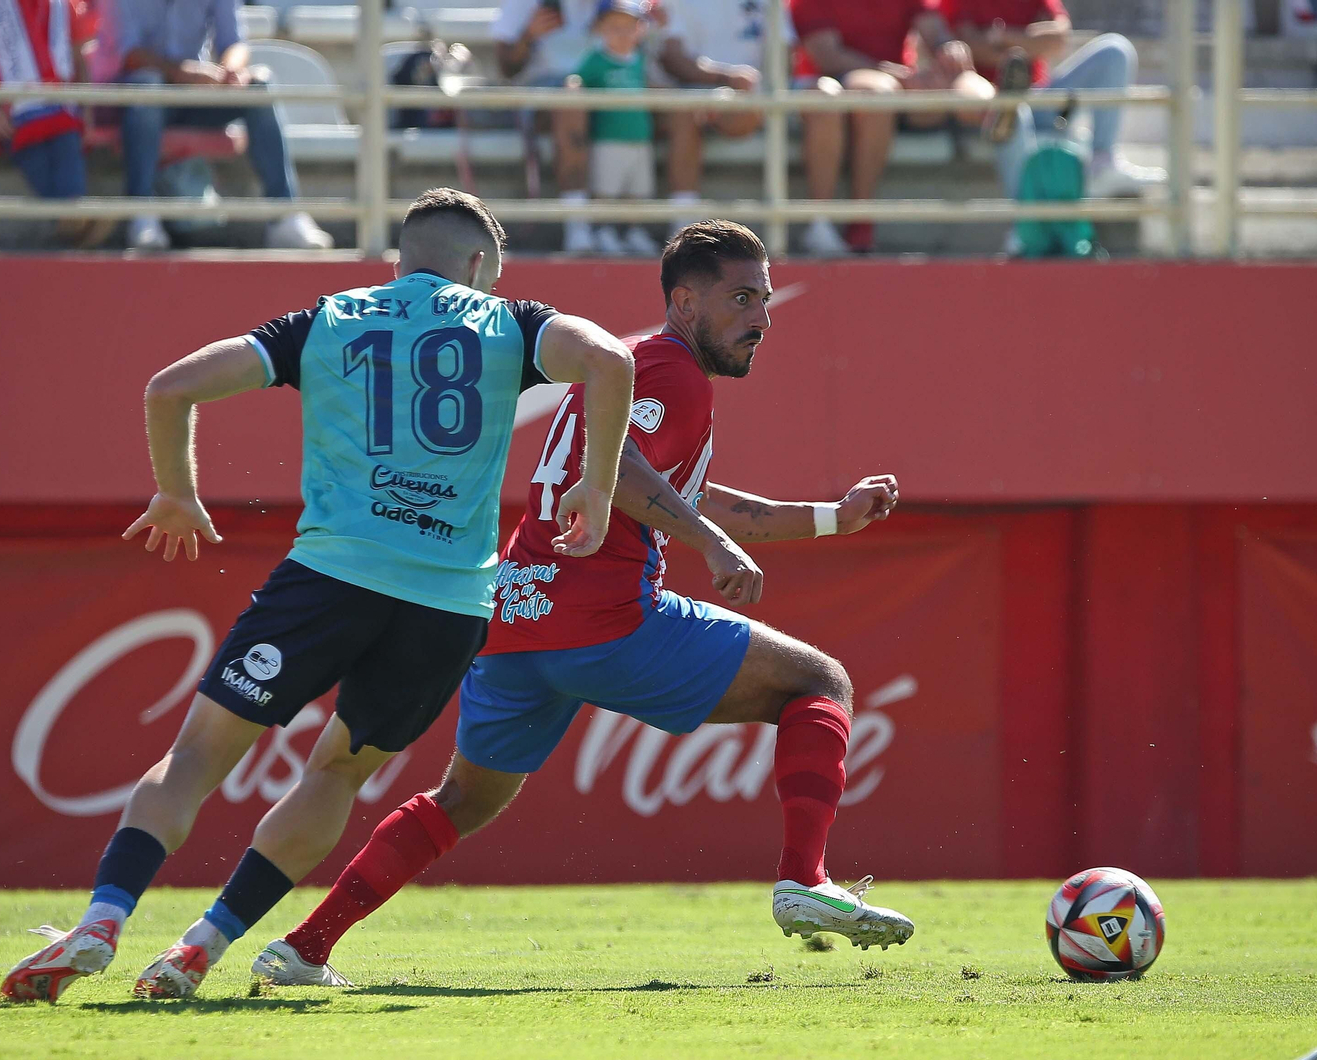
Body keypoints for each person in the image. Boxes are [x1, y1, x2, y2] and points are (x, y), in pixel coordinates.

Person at [0, 188, 637, 1003]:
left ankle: (102, 921)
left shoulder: (332, 318)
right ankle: (204, 945)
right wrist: (596, 482)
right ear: (479, 266)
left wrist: (176, 493)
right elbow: (612, 360)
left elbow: (170, 387)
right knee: (335, 774)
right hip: (449, 603)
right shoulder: (508, 321)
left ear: (398, 262)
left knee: (196, 757)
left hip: (332, 577)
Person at [251, 220, 914, 988]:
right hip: (607, 620)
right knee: (818, 683)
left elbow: (676, 494)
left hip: (517, 616)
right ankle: (805, 879)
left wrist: (831, 515)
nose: (760, 319)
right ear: (684, 300)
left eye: (764, 300)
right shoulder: (672, 373)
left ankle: (305, 947)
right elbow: (627, 479)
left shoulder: (634, 369)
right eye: (740, 299)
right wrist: (709, 544)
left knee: (461, 799)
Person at [97, 0, 333, 251]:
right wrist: (183, 72)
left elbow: (235, 43)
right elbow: (129, 56)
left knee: (258, 85)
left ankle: (284, 217)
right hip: (138, 100)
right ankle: (141, 216)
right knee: (147, 85)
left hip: (196, 96)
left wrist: (229, 72)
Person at [790, 0, 995, 255]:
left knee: (966, 87)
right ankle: (852, 223)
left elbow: (935, 33)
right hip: (844, 85)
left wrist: (949, 51)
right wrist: (898, 77)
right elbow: (828, 58)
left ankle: (995, 111)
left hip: (898, 94)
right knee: (876, 93)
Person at [946, 0, 1166, 199]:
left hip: (1043, 103)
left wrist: (1002, 38)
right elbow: (971, 46)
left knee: (1115, 50)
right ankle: (1026, 226)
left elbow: (1058, 38)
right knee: (1012, 110)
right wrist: (1030, 41)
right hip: (993, 107)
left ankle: (1101, 164)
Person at [0, 0, 112, 247]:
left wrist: (85, 108)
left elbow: (78, 59)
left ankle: (70, 223)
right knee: (39, 143)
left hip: (61, 108)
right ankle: (76, 221)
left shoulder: (64, 5)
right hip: (13, 113)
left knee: (66, 136)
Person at [652, 0, 793, 237]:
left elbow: (784, 57)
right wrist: (727, 79)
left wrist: (749, 92)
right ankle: (683, 228)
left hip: (752, 102)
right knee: (684, 109)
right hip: (691, 99)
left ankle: (803, 226)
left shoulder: (770, 4)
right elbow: (671, 56)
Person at [491, 0, 610, 253]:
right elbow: (506, 67)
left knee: (675, 109)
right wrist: (528, 36)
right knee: (572, 99)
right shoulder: (523, 5)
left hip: (607, 93)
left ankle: (624, 229)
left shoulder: (620, 4)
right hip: (540, 103)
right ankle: (579, 227)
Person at [572, 0, 662, 256]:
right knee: (606, 190)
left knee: (637, 191)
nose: (621, 33)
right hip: (607, 137)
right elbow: (577, 80)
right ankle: (605, 231)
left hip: (639, 138)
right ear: (600, 28)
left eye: (628, 26)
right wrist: (573, 87)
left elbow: (655, 85)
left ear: (639, 29)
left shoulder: (642, 61)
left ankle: (633, 232)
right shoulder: (596, 59)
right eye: (614, 27)